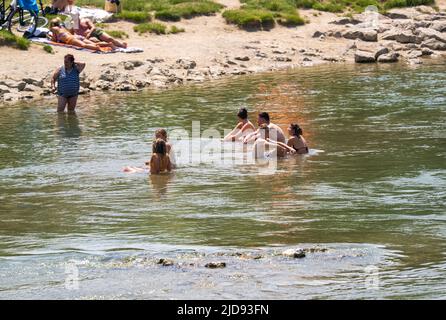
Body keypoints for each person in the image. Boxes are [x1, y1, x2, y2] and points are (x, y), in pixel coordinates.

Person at [49, 18, 114, 51]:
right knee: (92, 43)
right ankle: (108, 44)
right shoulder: (62, 27)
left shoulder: (53, 28)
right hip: (77, 37)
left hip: (71, 39)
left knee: (84, 45)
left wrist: (50, 38)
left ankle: (97, 48)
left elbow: (54, 40)